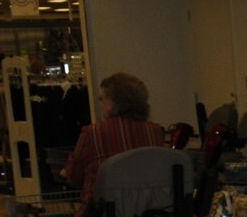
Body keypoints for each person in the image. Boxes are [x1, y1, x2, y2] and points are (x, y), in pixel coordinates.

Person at [64, 72, 171, 207]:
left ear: (112, 103)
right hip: (145, 212)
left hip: (103, 215)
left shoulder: (93, 133)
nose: (101, 103)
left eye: (101, 98)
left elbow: (75, 178)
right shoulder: (156, 132)